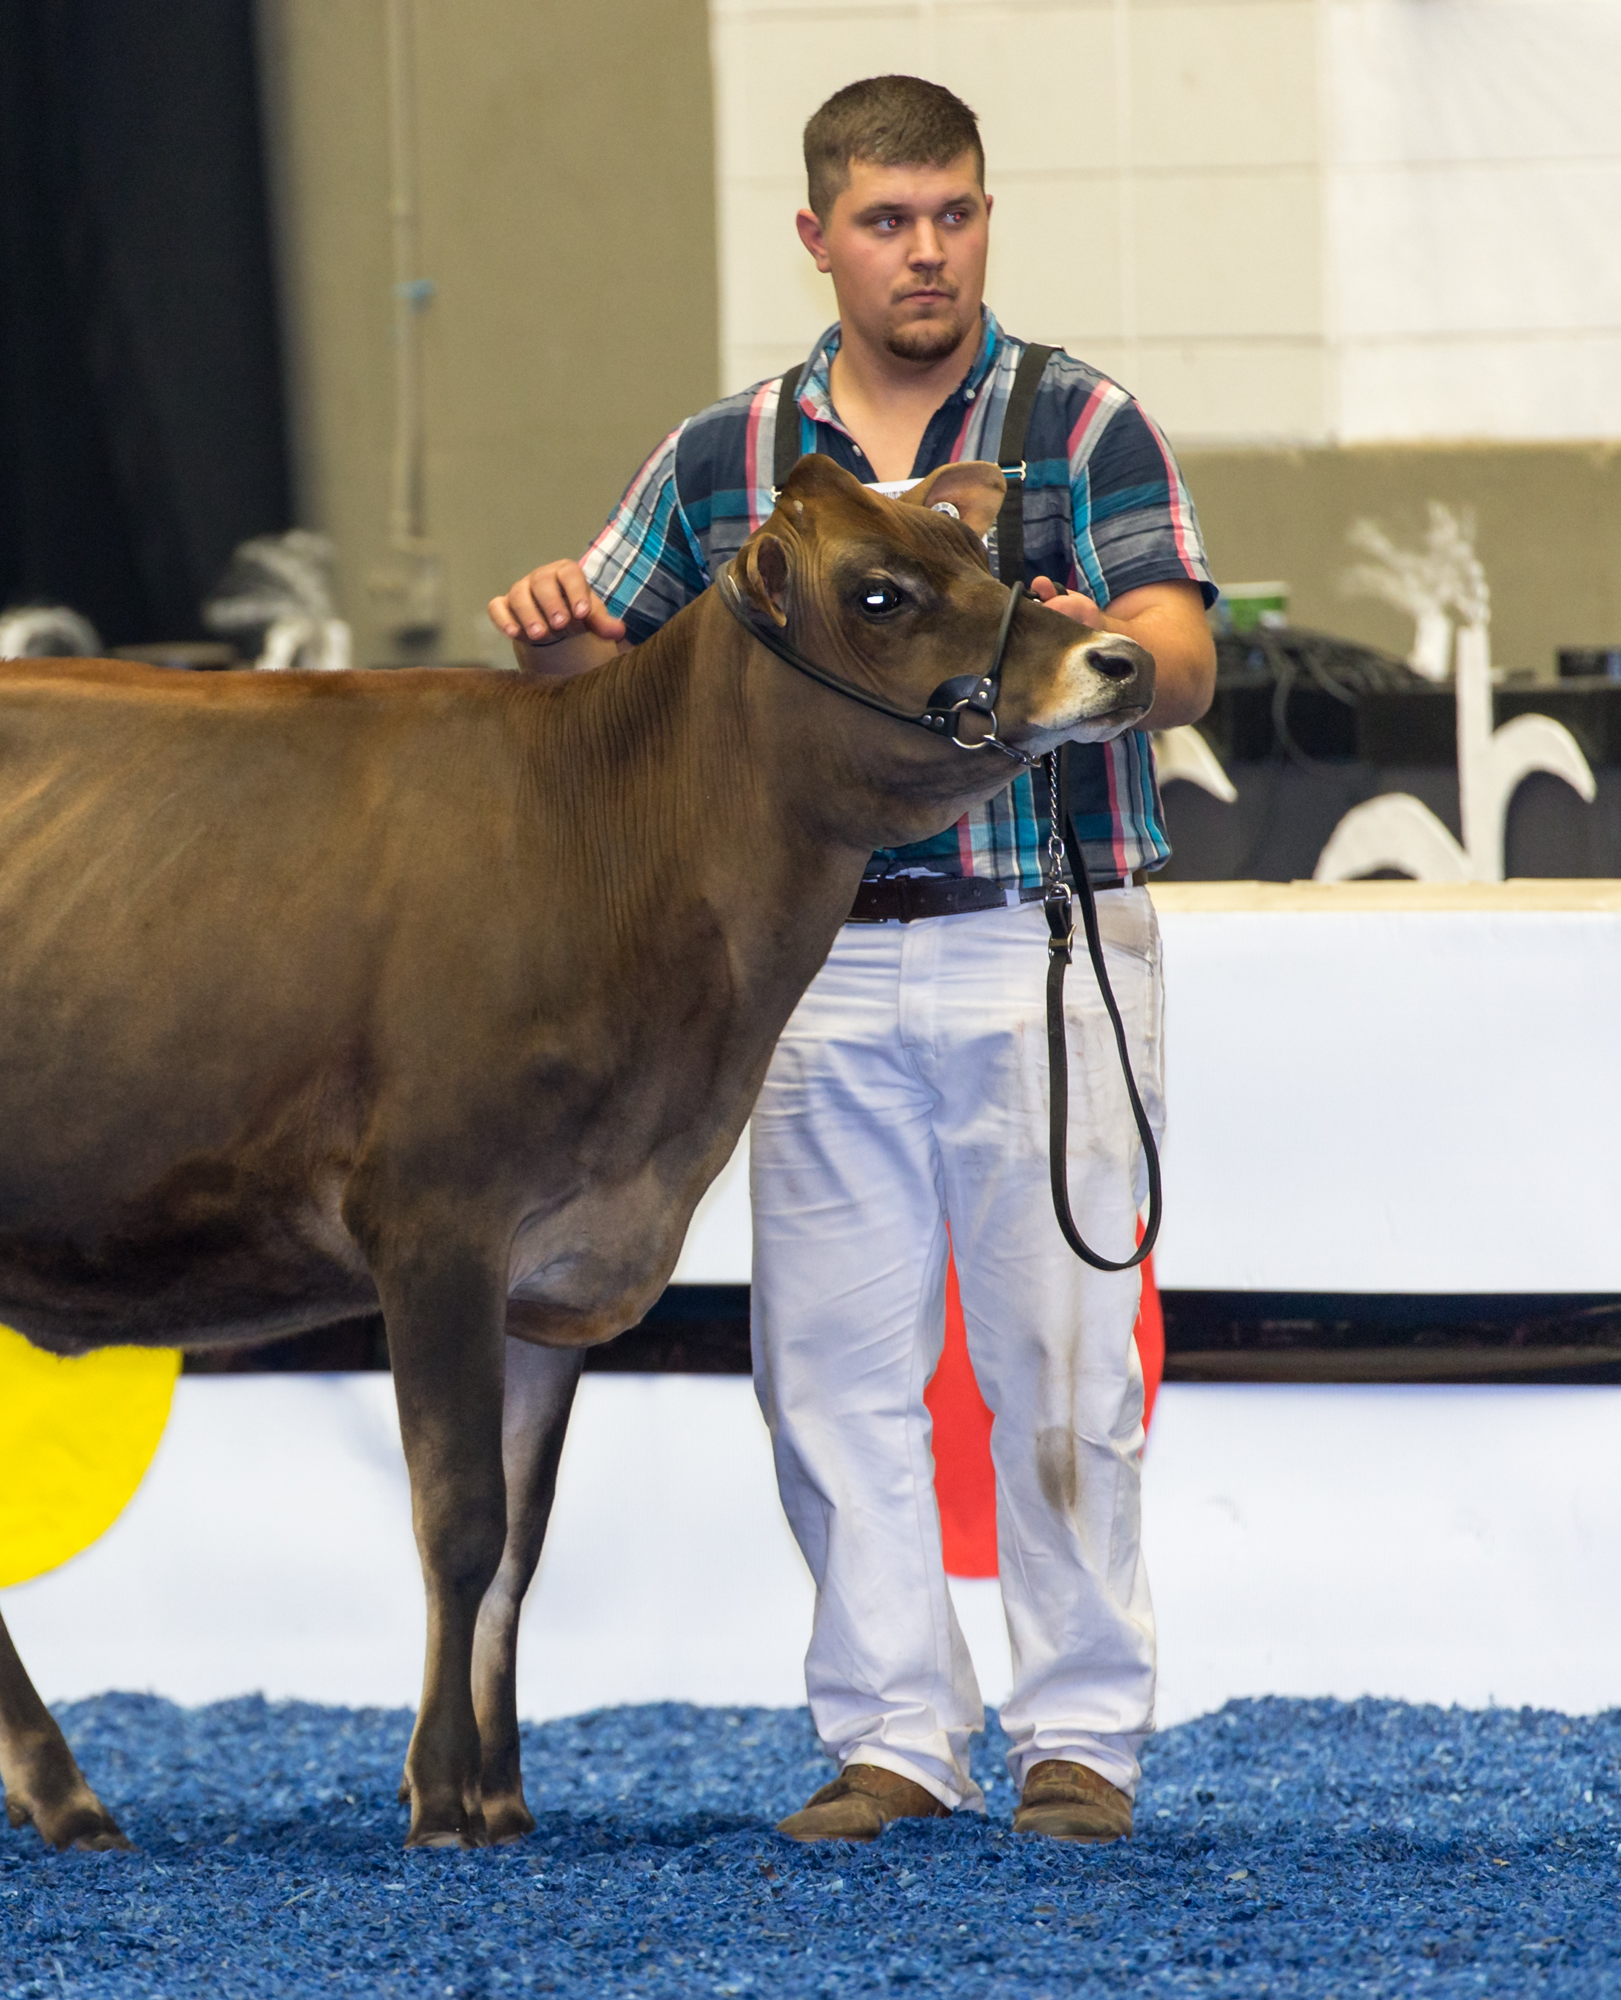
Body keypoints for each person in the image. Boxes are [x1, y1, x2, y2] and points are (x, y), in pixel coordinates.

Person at [488, 76, 1216, 1845]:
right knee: (826, 1374)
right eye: (889, 222)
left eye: (955, 214)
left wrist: (1092, 645)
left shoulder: (1079, 421)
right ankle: (894, 1736)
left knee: (1063, 1367)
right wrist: (554, 632)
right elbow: (607, 690)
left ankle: (1081, 1740)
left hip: (1041, 937)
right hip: (804, 969)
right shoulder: (726, 457)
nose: (928, 251)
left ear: (986, 219)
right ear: (818, 238)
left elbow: (1184, 655)